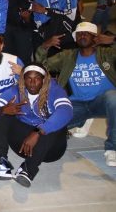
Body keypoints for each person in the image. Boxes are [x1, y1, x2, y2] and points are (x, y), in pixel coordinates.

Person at [0, 62, 72, 187]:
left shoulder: (54, 90)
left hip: (51, 150)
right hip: (23, 147)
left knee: (56, 124)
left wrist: (39, 131)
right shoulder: (16, 90)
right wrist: (2, 110)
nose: (32, 83)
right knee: (3, 116)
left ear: (44, 80)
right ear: (23, 80)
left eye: (37, 78)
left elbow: (67, 111)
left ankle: (28, 169)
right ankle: (0, 164)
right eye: (29, 78)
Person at [35, 22, 116, 167]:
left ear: (95, 38)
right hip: (76, 104)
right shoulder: (67, 56)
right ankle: (83, 120)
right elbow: (40, 68)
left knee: (113, 97)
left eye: (86, 33)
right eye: (79, 34)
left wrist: (113, 40)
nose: (82, 35)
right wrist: (45, 46)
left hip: (102, 101)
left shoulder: (107, 54)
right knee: (49, 123)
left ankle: (112, 149)